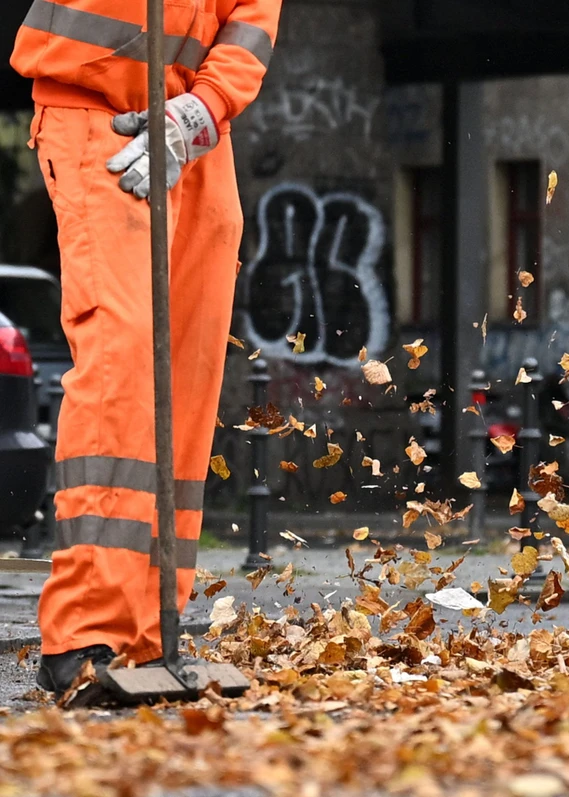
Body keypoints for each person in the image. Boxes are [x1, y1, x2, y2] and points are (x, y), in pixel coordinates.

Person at [9, 0, 282, 696]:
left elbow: (251, 18)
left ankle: (148, 627)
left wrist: (205, 109)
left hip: (194, 127)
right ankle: (84, 630)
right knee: (124, 355)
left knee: (186, 374)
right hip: (94, 108)